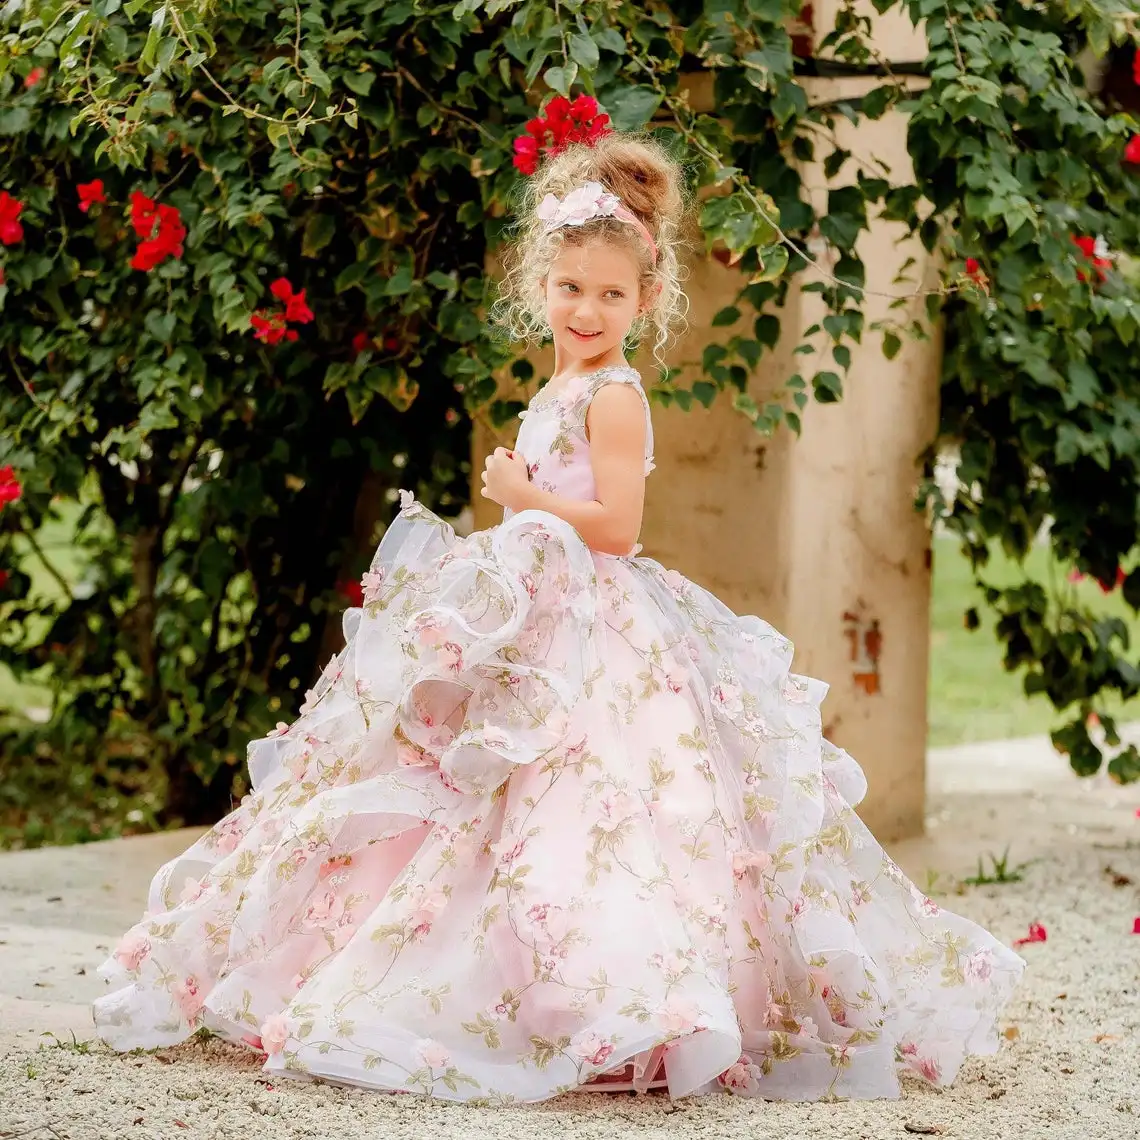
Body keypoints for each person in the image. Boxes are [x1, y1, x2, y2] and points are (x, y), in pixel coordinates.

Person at [93, 133, 1023, 1104]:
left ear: (646, 302)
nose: (587, 310)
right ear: (542, 283)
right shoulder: (561, 385)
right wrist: (523, 499)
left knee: (597, 798)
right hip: (534, 606)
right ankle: (495, 972)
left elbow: (617, 529)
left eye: (611, 296)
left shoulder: (617, 398)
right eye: (572, 288)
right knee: (474, 783)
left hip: (592, 620)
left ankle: (615, 993)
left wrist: (521, 494)